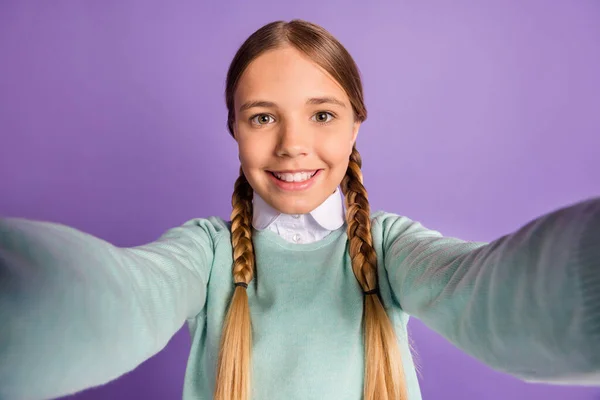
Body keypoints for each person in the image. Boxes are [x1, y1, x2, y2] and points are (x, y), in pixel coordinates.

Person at [0, 19, 598, 400]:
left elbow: (494, 292)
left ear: (356, 122)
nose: (292, 144)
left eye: (322, 114)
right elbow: (118, 298)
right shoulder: (206, 255)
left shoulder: (390, 250)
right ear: (233, 127)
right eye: (262, 117)